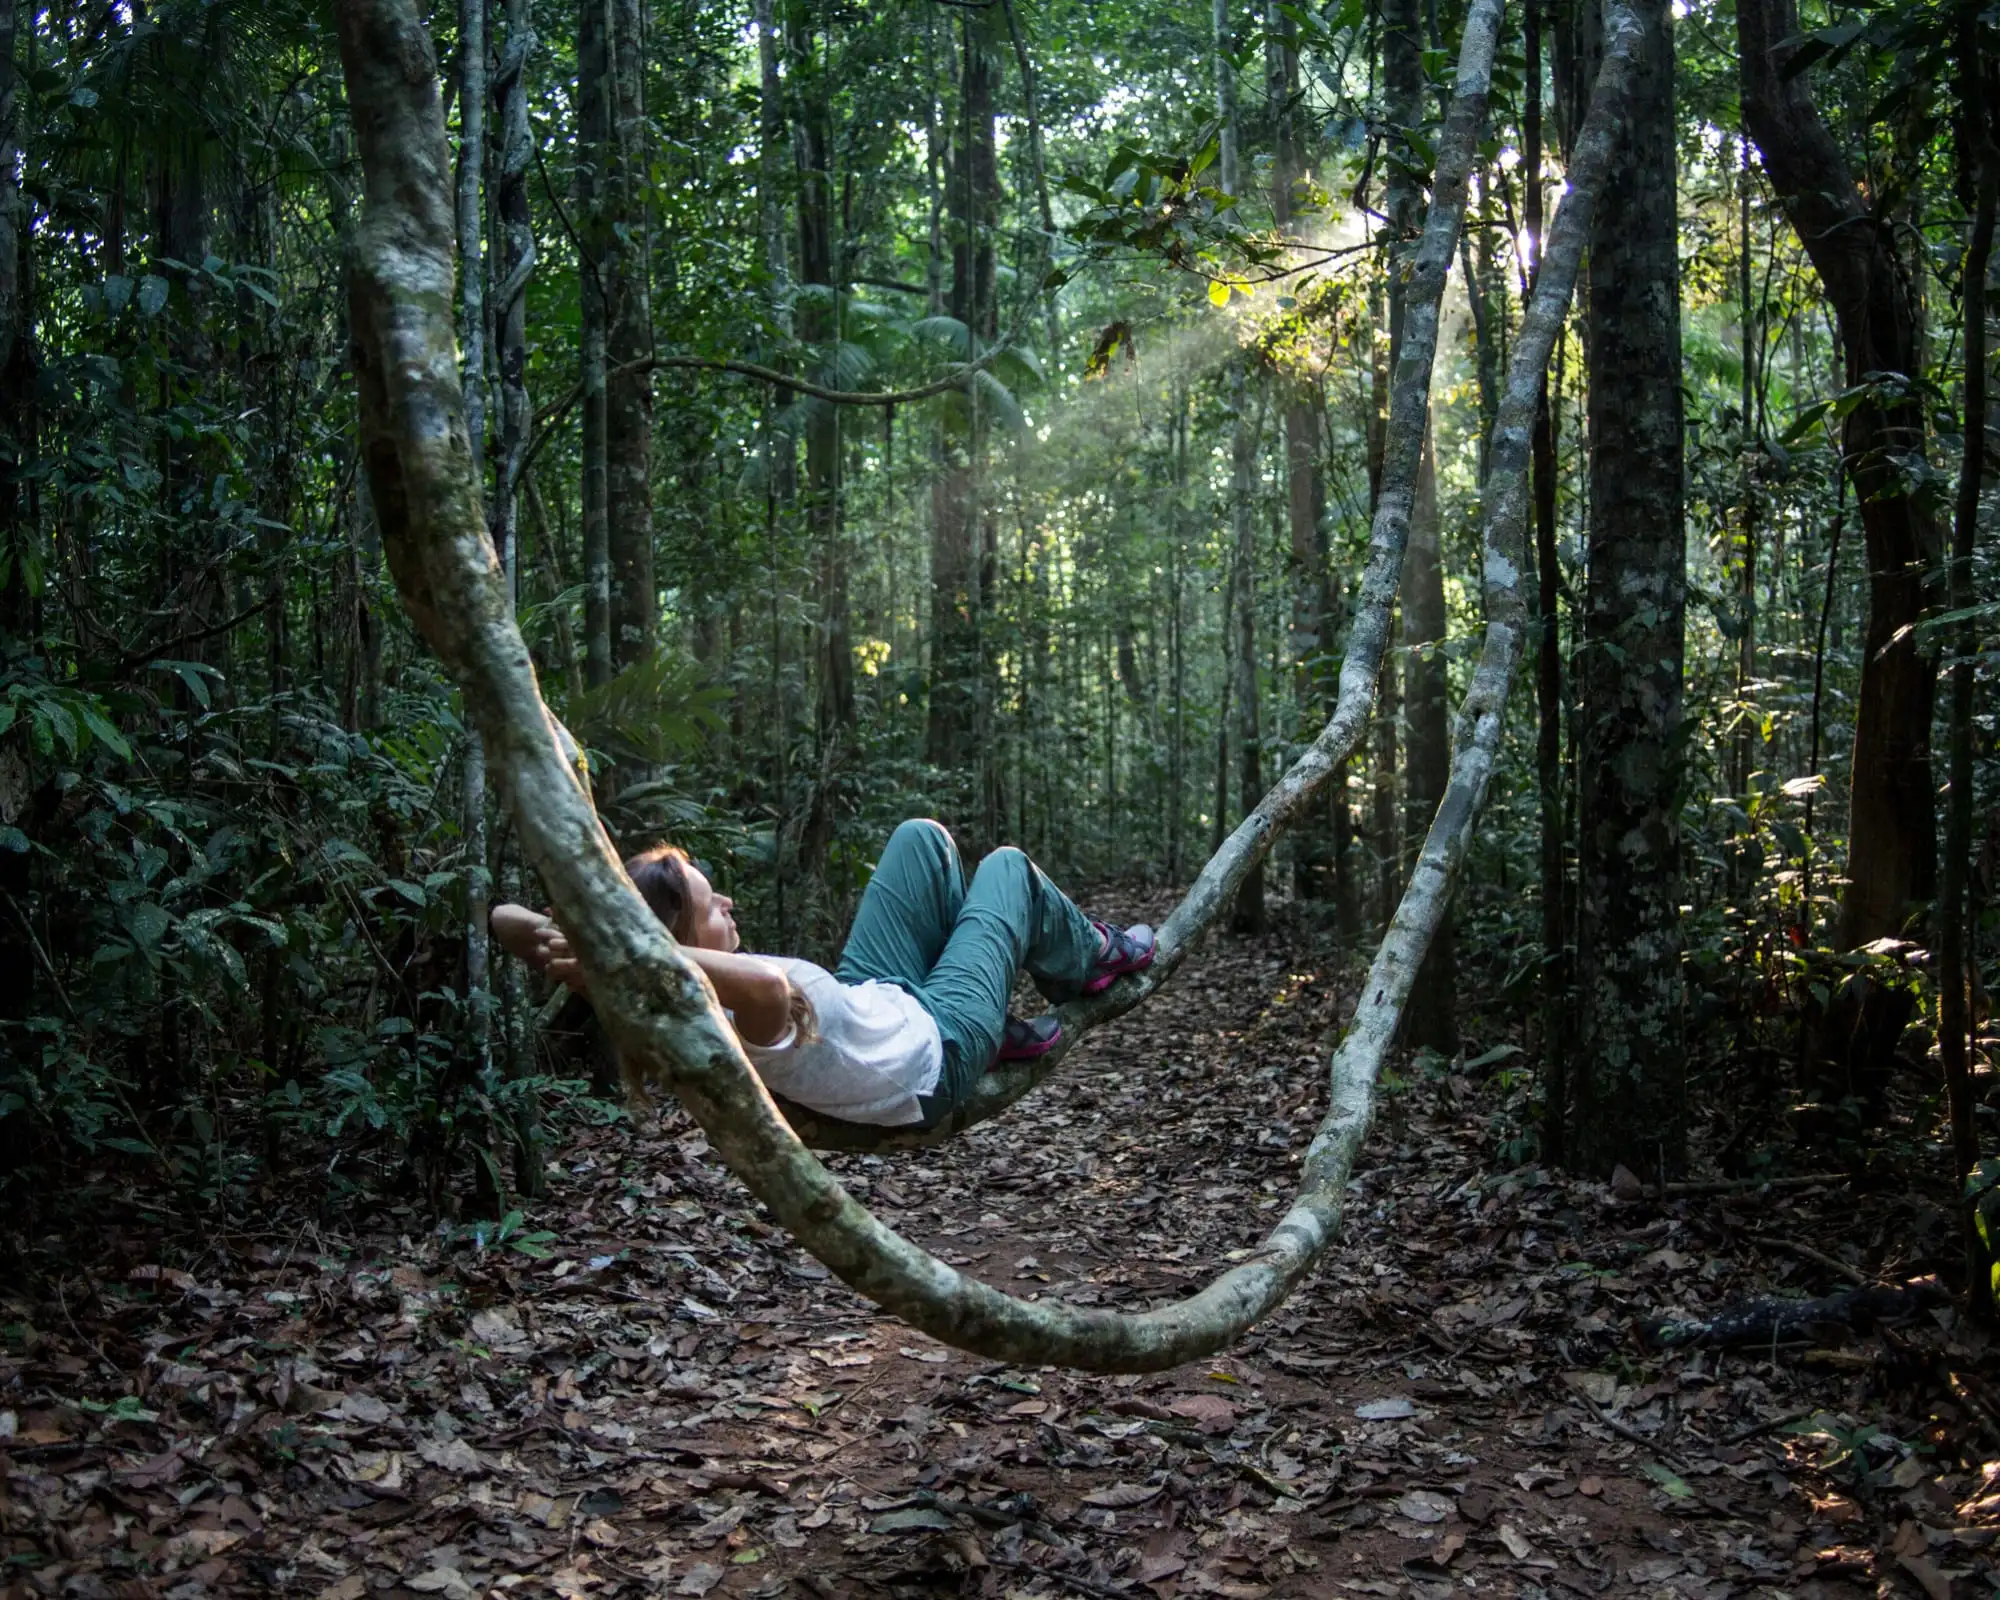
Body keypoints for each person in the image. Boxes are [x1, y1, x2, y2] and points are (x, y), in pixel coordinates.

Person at [489, 819, 1154, 1129]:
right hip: (934, 1051)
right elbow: (770, 990)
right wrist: (631, 952)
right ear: (677, 944)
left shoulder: (671, 981)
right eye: (709, 905)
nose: (728, 905)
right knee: (1007, 867)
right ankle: (1093, 959)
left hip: (881, 998)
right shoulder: (723, 1012)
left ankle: (988, 1010)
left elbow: (502, 917)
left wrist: (585, 936)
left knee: (920, 839)